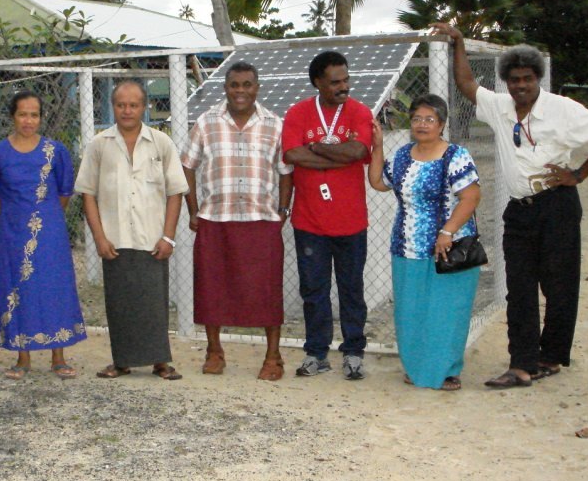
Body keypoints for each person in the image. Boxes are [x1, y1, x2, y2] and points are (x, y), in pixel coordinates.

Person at [431, 23, 588, 388]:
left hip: (558, 206)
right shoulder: (500, 106)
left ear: (538, 78)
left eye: (528, 79)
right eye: (514, 79)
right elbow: (466, 84)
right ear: (506, 81)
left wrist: (578, 174)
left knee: (559, 286)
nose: (521, 85)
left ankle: (551, 357)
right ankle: (521, 363)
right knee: (519, 288)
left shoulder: (562, 109)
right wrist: (458, 42)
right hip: (519, 209)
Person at [181, 62, 294, 381]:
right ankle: (214, 352)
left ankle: (273, 357)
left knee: (267, 290)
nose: (240, 91)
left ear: (257, 88)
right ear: (225, 88)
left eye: (247, 85)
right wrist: (193, 210)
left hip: (261, 220)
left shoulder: (275, 124)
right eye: (234, 85)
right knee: (212, 287)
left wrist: (283, 211)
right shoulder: (206, 122)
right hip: (216, 219)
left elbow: (286, 171)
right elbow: (187, 165)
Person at [75, 80, 189, 381]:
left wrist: (168, 236)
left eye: (134, 105)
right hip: (115, 240)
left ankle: (160, 362)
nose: (127, 110)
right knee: (120, 303)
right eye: (121, 105)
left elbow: (175, 192)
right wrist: (99, 237)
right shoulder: (99, 145)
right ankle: (121, 361)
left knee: (154, 303)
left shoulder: (161, 143)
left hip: (152, 239)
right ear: (113, 106)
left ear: (144, 107)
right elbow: (88, 193)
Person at [368, 94, 481, 390]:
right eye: (417, 118)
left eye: (429, 119)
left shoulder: (456, 156)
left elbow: (471, 197)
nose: (422, 124)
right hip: (407, 247)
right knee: (411, 311)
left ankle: (446, 370)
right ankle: (417, 367)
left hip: (450, 249)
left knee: (446, 312)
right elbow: (378, 182)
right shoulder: (403, 155)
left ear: (441, 124)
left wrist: (447, 232)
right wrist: (378, 147)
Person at [0, 91, 86, 379]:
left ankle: (58, 356)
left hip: (50, 234)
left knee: (53, 287)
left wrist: (42, 217)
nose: (28, 120)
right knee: (16, 288)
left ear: (41, 118)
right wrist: (16, 217)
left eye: (34, 115)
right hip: (12, 234)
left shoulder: (56, 151)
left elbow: (64, 194)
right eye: (23, 114)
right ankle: (22, 357)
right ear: (12, 116)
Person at [282, 51, 373, 381]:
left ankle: (353, 353)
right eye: (335, 82)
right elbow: (292, 154)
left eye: (346, 80)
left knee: (351, 290)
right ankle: (316, 353)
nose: (343, 87)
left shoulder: (359, 111)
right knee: (314, 291)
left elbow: (359, 150)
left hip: (351, 222)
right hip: (310, 222)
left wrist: (317, 148)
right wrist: (340, 155)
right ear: (318, 83)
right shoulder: (298, 113)